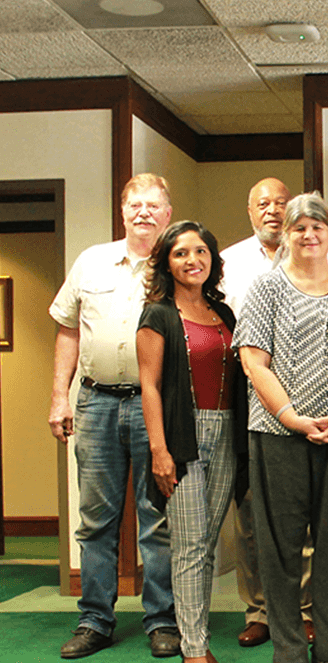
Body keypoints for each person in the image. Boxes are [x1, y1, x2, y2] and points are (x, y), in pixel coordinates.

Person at [233, 192, 328, 663]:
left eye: (318, 226)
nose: (309, 234)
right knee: (279, 548)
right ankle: (290, 650)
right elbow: (254, 362)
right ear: (287, 235)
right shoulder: (266, 289)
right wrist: (292, 417)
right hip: (278, 436)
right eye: (299, 227)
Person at [48, 174, 180, 659]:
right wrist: (59, 397)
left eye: (153, 205)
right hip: (97, 402)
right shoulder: (91, 262)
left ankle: (162, 621)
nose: (143, 213)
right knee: (96, 520)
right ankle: (95, 621)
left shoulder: (176, 266)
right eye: (134, 205)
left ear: (167, 213)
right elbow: (68, 332)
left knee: (157, 519)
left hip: (156, 409)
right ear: (122, 212)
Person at [137, 221, 246, 663]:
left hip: (225, 433)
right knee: (189, 545)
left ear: (212, 260)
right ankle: (195, 650)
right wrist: (160, 451)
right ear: (166, 261)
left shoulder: (224, 313)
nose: (192, 260)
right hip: (182, 436)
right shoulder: (158, 314)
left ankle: (193, 636)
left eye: (201, 252)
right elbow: (150, 386)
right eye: (181, 253)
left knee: (207, 544)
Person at [220, 177, 319, 648]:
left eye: (282, 203)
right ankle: (258, 609)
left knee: (302, 511)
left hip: (309, 393)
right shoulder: (228, 263)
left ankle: (301, 611)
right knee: (251, 511)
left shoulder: (319, 253)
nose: (273, 211)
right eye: (263, 203)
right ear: (250, 210)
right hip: (250, 393)